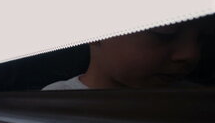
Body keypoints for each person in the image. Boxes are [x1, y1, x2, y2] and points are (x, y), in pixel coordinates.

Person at [43, 16, 213, 90]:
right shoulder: (54, 101)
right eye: (164, 33)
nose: (191, 54)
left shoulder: (194, 100)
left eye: (201, 39)